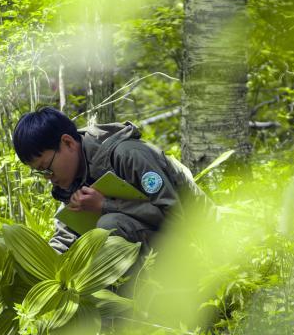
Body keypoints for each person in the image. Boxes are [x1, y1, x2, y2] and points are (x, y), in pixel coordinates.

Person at [11, 107, 209, 253]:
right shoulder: (73, 177)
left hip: (201, 239)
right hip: (159, 246)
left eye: (46, 168)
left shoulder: (128, 155)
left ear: (68, 143)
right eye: (40, 173)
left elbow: (176, 217)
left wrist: (104, 206)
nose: (48, 177)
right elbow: (67, 237)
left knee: (109, 225)